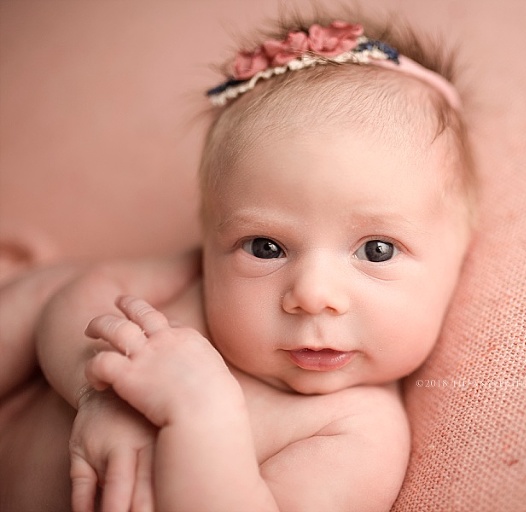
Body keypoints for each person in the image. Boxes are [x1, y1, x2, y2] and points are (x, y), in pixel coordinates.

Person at [0, 13, 476, 511]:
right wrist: (96, 394)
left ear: (458, 257)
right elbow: (81, 299)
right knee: (42, 291)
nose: (313, 294)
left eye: (376, 250)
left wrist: (200, 415)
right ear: (211, 237)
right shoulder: (199, 282)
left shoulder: (358, 432)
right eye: (265, 247)